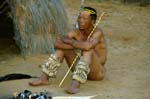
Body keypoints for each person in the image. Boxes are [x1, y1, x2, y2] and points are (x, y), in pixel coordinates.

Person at [29, 6, 107, 94]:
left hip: (96, 72)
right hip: (80, 69)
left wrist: (71, 42)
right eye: (79, 17)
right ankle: (44, 78)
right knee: (62, 49)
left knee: (88, 51)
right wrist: (77, 45)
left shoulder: (98, 32)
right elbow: (57, 44)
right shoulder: (75, 32)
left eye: (84, 19)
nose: (80, 20)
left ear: (92, 22)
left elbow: (88, 47)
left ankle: (75, 84)